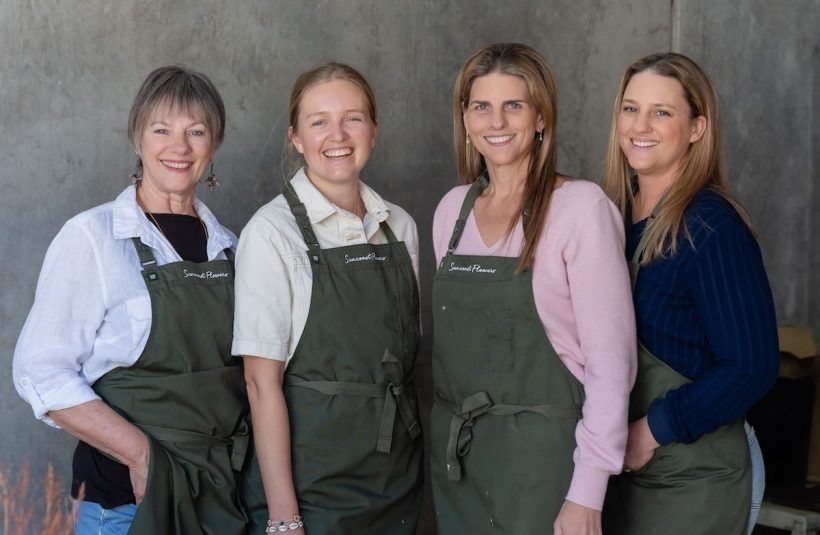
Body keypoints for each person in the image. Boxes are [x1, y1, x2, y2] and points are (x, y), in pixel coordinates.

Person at [12, 65, 253, 534]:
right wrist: (140, 456)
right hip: (122, 507)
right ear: (138, 138)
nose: (178, 147)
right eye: (162, 130)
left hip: (219, 502)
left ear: (214, 146)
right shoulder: (94, 237)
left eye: (196, 132)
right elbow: (39, 370)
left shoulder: (232, 248)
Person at [430, 42, 636, 535]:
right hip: (461, 462)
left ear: (541, 117)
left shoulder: (581, 209)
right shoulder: (451, 211)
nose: (496, 121)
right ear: (465, 117)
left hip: (549, 468)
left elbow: (611, 369)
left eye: (513, 106)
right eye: (482, 106)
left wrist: (586, 493)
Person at [234, 62, 423, 535]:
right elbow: (261, 385)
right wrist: (284, 518)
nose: (337, 135)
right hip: (311, 487)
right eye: (319, 121)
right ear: (296, 137)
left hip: (396, 477)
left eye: (352, 118)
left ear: (373, 130)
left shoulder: (399, 226)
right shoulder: (271, 234)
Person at [600, 52, 778, 535]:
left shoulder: (711, 226)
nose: (641, 125)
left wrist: (650, 431)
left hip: (696, 475)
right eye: (631, 108)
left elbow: (751, 367)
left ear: (697, 128)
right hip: (623, 473)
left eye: (662, 112)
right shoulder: (608, 215)